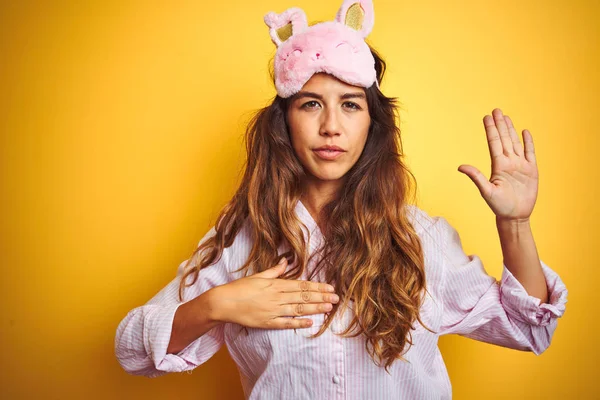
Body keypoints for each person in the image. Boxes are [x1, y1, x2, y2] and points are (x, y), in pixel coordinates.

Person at [114, 0, 568, 398]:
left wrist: (515, 225)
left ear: (372, 123)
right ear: (284, 122)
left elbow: (529, 328)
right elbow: (132, 351)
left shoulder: (421, 238)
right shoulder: (241, 240)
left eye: (350, 104)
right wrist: (217, 305)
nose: (331, 125)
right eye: (310, 104)